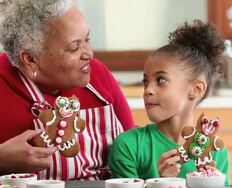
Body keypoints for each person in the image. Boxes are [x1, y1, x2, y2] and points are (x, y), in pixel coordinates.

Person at [0, 0, 135, 180]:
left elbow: (133, 145)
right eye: (74, 48)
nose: (89, 54)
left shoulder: (98, 75)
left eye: (87, 39)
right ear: (31, 59)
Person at [108, 20, 230, 185]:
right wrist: (162, 183)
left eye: (161, 80)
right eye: (146, 81)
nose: (148, 90)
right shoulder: (128, 146)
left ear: (196, 89)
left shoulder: (216, 152)